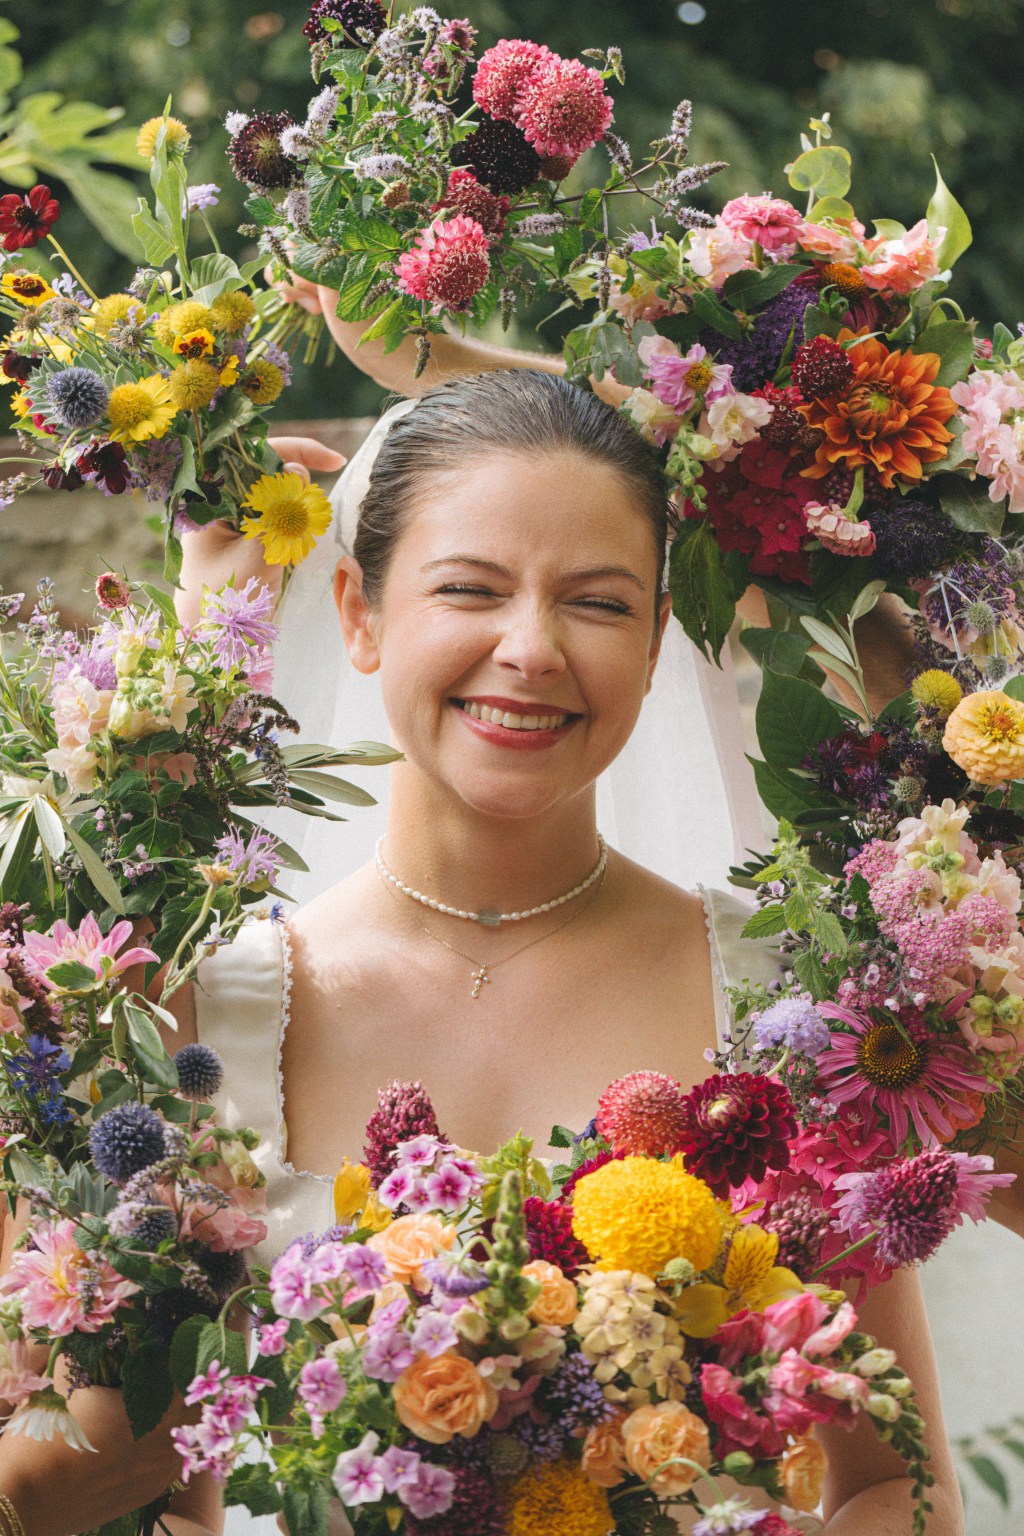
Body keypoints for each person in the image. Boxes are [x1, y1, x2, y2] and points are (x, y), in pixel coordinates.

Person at [0, 372, 963, 1536]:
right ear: (356, 612)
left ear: (659, 638)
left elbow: (886, 1479)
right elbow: (148, 1497)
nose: (530, 649)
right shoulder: (201, 1015)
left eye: (598, 604)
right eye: (469, 589)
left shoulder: (782, 1004)